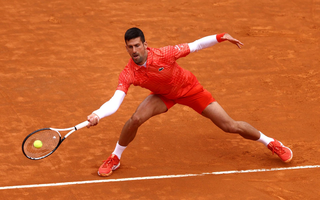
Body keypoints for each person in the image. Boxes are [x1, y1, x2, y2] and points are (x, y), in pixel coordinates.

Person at [86, 27, 293, 177]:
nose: (134, 51)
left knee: (230, 126)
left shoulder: (165, 54)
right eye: (130, 47)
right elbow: (115, 101)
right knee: (135, 119)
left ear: (145, 45)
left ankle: (271, 143)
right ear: (126, 48)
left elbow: (196, 45)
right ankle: (115, 157)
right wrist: (97, 114)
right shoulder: (128, 73)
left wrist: (221, 37)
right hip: (164, 96)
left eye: (137, 45)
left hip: (190, 90)